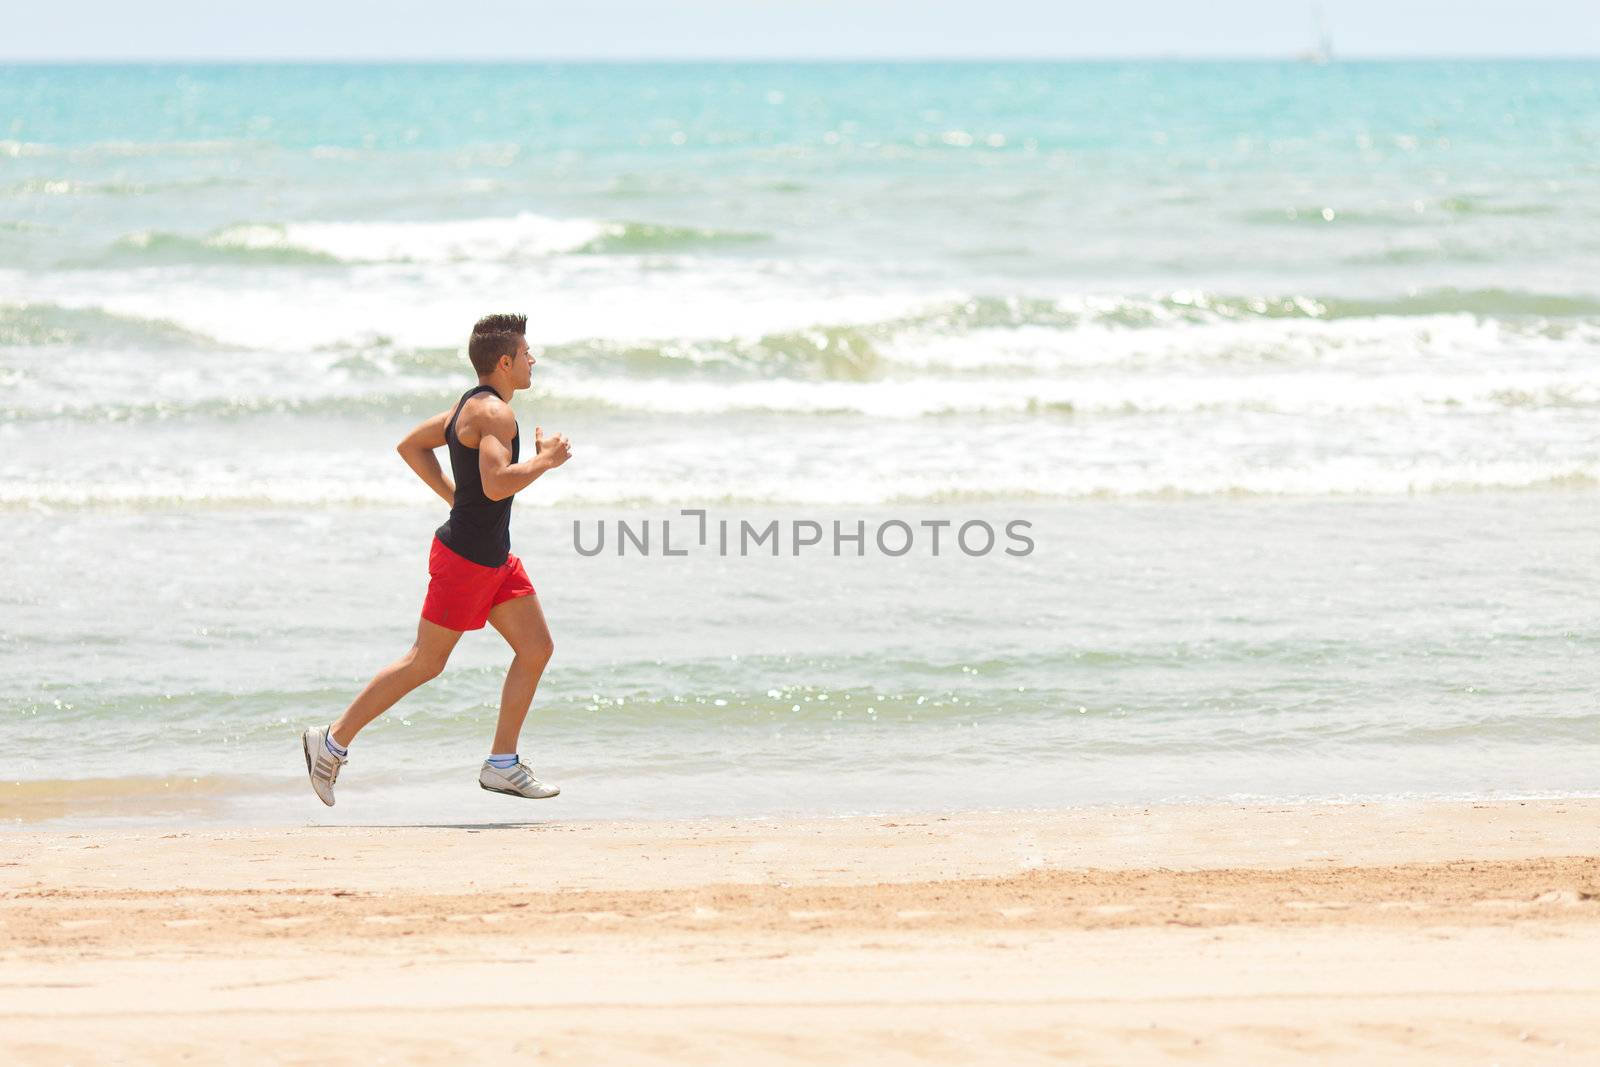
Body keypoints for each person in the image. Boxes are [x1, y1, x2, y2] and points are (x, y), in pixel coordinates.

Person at [302, 313, 573, 806]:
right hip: (467, 561)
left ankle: (502, 763)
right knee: (424, 662)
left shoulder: (466, 406)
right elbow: (495, 484)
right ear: (506, 362)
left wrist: (455, 499)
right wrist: (544, 462)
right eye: (527, 353)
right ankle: (333, 741)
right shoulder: (494, 414)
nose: (534, 360)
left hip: (493, 558)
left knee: (536, 648)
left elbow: (411, 446)